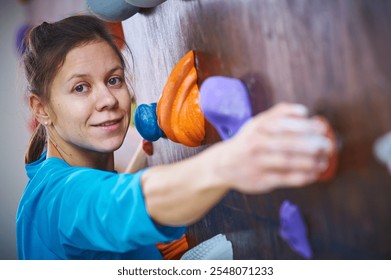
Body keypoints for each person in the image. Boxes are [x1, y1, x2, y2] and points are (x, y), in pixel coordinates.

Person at [16, 15, 333, 260]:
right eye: (80, 87)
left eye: (113, 79)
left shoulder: (46, 182)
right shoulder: (55, 200)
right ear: (41, 108)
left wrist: (133, 169)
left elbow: (94, 217)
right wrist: (232, 161)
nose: (108, 100)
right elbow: (107, 205)